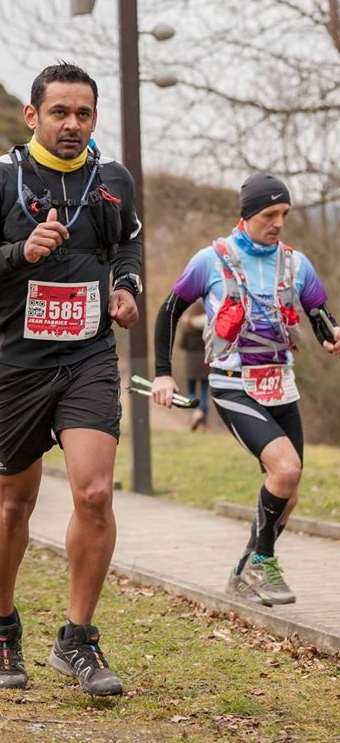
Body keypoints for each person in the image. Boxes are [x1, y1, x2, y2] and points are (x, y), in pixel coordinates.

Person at [0, 61, 143, 696]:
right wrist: (17, 254)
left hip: (87, 355)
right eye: (60, 112)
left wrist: (129, 288)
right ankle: (4, 626)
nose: (72, 124)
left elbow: (129, 246)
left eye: (83, 113)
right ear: (33, 116)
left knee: (94, 494)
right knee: (15, 503)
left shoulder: (111, 181)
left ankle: (78, 638)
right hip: (18, 363)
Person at [152, 172, 340, 606]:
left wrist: (330, 335)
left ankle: (245, 570)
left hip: (282, 385)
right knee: (286, 469)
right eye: (269, 214)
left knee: (287, 494)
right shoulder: (212, 260)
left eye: (285, 214)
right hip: (234, 385)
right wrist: (163, 373)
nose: (278, 222)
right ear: (248, 214)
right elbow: (168, 312)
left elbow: (318, 312)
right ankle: (264, 562)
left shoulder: (296, 263)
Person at [178, 300, 209, 430]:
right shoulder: (207, 326)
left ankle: (195, 412)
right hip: (205, 364)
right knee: (204, 394)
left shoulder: (187, 327)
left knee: (191, 393)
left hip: (191, 365)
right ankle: (202, 421)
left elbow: (182, 345)